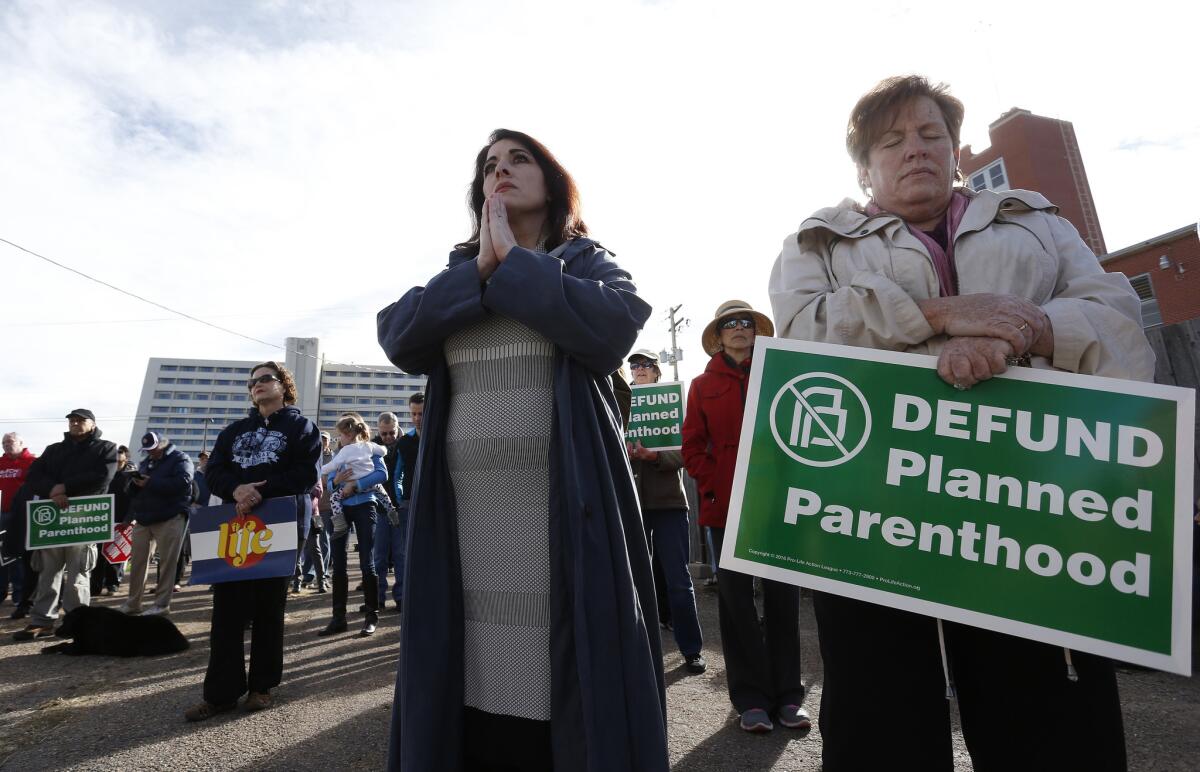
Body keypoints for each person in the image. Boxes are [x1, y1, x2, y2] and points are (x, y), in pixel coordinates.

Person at [768, 75, 1155, 771]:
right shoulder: (818, 243)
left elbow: (1123, 329)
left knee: (1045, 720)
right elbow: (799, 339)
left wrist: (1025, 330)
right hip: (872, 510)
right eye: (891, 141)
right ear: (863, 167)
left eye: (931, 135)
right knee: (878, 718)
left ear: (956, 151)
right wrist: (942, 316)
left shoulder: (1037, 223)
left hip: (1028, 507)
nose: (914, 149)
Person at [377, 128, 667, 771]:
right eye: (489, 165)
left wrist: (518, 261)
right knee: (468, 671)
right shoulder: (459, 272)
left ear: (553, 179)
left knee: (564, 670)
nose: (501, 171)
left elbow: (613, 327)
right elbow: (398, 335)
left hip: (563, 506)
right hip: (464, 514)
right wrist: (483, 266)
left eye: (519, 159)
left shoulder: (586, 261)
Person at [681, 301, 808, 733]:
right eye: (730, 324)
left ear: (757, 331)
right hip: (726, 508)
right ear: (719, 336)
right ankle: (751, 699)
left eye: (747, 322)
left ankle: (790, 697)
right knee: (736, 603)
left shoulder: (780, 376)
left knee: (782, 600)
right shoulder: (701, 385)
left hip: (778, 506)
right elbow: (692, 445)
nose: (740, 328)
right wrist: (713, 484)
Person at [184, 362, 320, 721]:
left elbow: (306, 474)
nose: (257, 385)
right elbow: (214, 472)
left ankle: (261, 687)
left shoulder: (301, 427)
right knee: (226, 612)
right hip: (234, 525)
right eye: (253, 381)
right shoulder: (233, 431)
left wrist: (259, 492)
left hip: (280, 523)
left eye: (265, 379)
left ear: (283, 386)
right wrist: (236, 489)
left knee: (268, 610)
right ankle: (221, 694)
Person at [626, 350, 705, 674]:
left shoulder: (672, 404)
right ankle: (638, 649)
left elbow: (685, 454)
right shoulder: (622, 403)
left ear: (657, 372)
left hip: (671, 501)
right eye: (634, 365)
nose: (640, 369)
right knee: (633, 578)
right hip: (632, 502)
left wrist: (654, 457)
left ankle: (691, 650)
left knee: (678, 580)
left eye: (646, 365)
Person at [13, 409, 118, 641]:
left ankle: (78, 622)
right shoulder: (54, 450)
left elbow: (103, 477)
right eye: (72, 420)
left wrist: (65, 488)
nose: (75, 423)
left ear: (93, 424)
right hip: (54, 521)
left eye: (80, 420)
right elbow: (33, 476)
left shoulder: (106, 448)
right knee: (47, 573)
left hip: (84, 520)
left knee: (79, 574)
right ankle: (42, 621)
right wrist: (52, 490)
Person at [317, 412, 387, 637]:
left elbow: (381, 474)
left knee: (367, 562)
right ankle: (338, 618)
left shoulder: (369, 448)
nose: (340, 438)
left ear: (352, 430)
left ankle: (371, 616)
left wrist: (355, 485)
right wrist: (336, 482)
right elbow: (329, 483)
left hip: (365, 505)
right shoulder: (341, 453)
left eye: (343, 433)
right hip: (342, 509)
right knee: (338, 563)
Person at [120, 433, 194, 616]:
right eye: (147, 450)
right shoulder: (146, 462)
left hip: (170, 516)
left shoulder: (180, 458)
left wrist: (151, 482)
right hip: (144, 517)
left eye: (153, 448)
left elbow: (184, 482)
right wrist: (134, 483)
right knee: (137, 562)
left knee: (167, 562)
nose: (150, 453)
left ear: (162, 444)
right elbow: (133, 492)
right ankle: (133, 603)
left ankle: (161, 605)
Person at [376, 394, 423, 612]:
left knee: (401, 555)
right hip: (381, 509)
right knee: (379, 557)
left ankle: (402, 597)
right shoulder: (372, 448)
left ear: (396, 428)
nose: (387, 437)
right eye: (383, 433)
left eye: (390, 433)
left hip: (402, 507)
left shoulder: (407, 443)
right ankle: (376, 598)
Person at [319, 420, 388, 539]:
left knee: (334, 498)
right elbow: (383, 451)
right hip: (369, 486)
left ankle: (340, 526)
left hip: (352, 492)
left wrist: (317, 471)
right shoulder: (369, 445)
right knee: (383, 493)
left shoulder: (345, 451)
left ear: (349, 435)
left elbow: (332, 466)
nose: (339, 438)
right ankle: (391, 511)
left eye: (340, 435)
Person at [91, 445, 135, 597]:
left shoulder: (131, 477)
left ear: (126, 457)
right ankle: (94, 586)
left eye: (121, 453)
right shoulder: (104, 474)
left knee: (115, 554)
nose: (117, 455)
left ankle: (112, 584)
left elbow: (134, 500)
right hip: (101, 520)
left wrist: (129, 519)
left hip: (121, 521)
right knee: (97, 554)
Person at [0, 432, 36, 608]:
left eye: (10, 441)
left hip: (22, 515)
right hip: (1, 514)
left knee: (18, 556)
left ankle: (20, 595)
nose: (6, 445)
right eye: (4, 442)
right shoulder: (0, 463)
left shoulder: (32, 462)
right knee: (1, 555)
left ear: (21, 443)